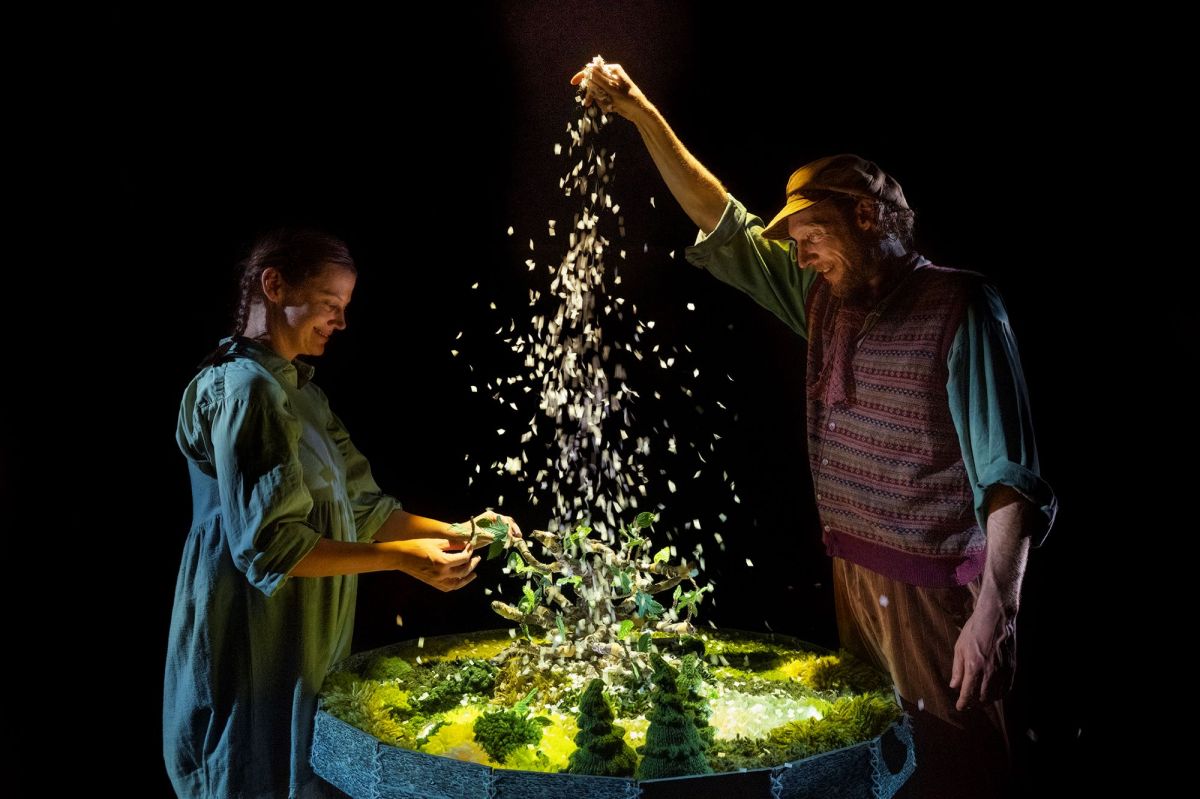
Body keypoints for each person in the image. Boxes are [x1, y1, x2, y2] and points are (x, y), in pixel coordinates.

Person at [572, 63, 1056, 797]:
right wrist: (639, 111)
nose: (799, 257)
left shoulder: (962, 307)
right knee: (877, 766)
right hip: (853, 581)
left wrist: (996, 611)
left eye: (811, 236)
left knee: (957, 774)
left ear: (867, 218)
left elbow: (1011, 481)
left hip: (937, 599)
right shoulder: (826, 297)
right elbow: (722, 222)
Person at [163, 228, 520, 799]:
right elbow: (271, 548)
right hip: (250, 639)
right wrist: (401, 561)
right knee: (251, 773)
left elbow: (368, 510)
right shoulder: (244, 389)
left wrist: (465, 531)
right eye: (331, 305)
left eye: (344, 307)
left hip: (306, 640)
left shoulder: (301, 391)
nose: (341, 322)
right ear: (274, 286)